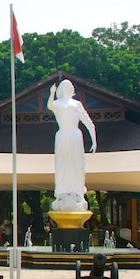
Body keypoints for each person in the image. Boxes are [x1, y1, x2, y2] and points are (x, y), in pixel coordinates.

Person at [47, 79, 97, 212]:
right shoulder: (57, 104)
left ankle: (78, 193)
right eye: (65, 86)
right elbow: (50, 106)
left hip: (75, 136)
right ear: (61, 90)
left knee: (77, 163)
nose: (68, 88)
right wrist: (51, 93)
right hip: (63, 135)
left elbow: (88, 122)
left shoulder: (77, 104)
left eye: (70, 86)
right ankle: (61, 193)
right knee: (62, 164)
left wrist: (94, 140)